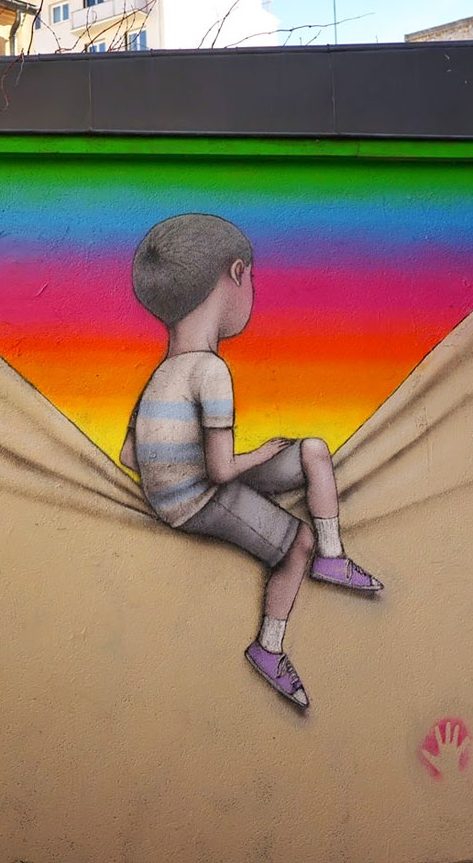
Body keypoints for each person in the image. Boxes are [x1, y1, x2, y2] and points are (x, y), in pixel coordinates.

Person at [120, 213, 383, 709]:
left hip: (181, 488)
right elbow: (221, 472)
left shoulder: (159, 376)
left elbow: (129, 454)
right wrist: (257, 457)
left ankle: (333, 557)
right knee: (297, 542)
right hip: (196, 500)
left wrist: (177, 464)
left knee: (311, 450)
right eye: (253, 278)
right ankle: (269, 648)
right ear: (236, 273)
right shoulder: (210, 371)